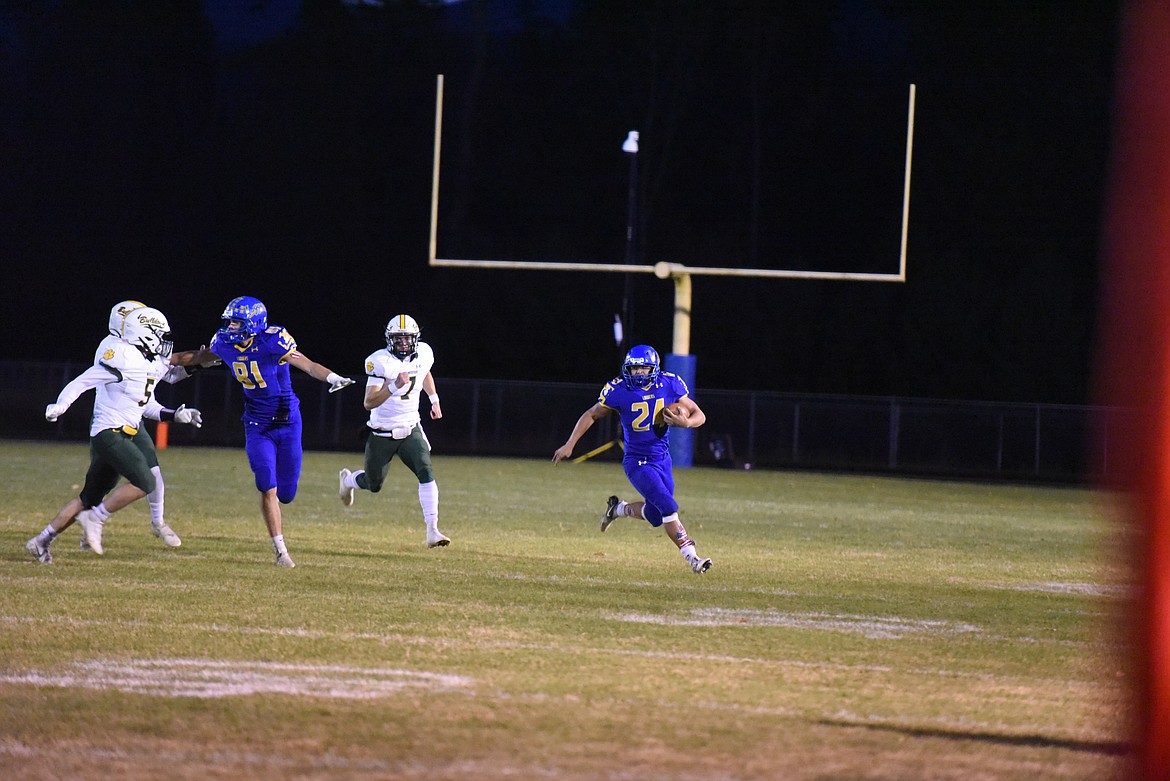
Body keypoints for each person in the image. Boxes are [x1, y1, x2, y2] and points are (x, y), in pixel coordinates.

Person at [25, 304, 208, 563]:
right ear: (144, 334)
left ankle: (41, 540)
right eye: (160, 336)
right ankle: (96, 519)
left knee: (89, 497)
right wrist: (61, 404)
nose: (164, 343)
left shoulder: (148, 359)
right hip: (110, 433)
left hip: (122, 431)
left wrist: (175, 415)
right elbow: (83, 381)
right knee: (146, 481)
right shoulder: (122, 356)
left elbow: (148, 402)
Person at [210, 295, 355, 568]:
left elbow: (308, 365)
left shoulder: (273, 341)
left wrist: (333, 377)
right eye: (229, 322)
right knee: (266, 484)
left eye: (236, 322)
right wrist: (166, 366)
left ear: (253, 324)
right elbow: (197, 357)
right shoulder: (223, 344)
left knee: (286, 494)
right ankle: (280, 551)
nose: (230, 327)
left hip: (288, 423)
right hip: (257, 425)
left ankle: (280, 537)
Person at [552, 344, 712, 574]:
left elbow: (699, 415)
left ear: (653, 369)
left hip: (662, 459)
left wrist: (686, 422)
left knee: (657, 516)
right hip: (637, 461)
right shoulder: (619, 389)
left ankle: (618, 509)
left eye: (643, 369)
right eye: (634, 369)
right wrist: (570, 444)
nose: (638, 374)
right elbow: (592, 414)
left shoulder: (669, 383)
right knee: (668, 507)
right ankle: (693, 557)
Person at [338, 314, 450, 548]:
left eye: (407, 339)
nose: (403, 344)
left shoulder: (425, 353)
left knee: (426, 471)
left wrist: (434, 399)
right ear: (389, 340)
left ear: (415, 339)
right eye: (398, 339)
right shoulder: (380, 361)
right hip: (382, 432)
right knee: (373, 484)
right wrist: (393, 386)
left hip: (411, 427)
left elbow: (424, 371)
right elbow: (369, 402)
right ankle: (348, 480)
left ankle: (433, 530)